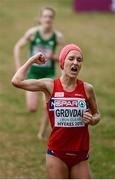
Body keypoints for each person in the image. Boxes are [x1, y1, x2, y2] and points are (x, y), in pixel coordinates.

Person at [12, 44, 101, 179]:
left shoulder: (87, 89)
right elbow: (16, 81)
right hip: (57, 153)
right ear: (62, 62)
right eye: (71, 58)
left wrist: (93, 120)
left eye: (79, 60)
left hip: (80, 154)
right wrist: (32, 60)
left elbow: (97, 114)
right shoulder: (50, 85)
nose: (75, 62)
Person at [14, 6, 64, 140]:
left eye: (50, 17)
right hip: (33, 74)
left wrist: (54, 57)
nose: (48, 19)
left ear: (53, 19)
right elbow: (18, 47)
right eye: (45, 16)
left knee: (48, 106)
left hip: (49, 75)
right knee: (32, 108)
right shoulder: (32, 33)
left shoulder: (58, 37)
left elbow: (63, 58)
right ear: (40, 19)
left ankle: (41, 133)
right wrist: (19, 67)